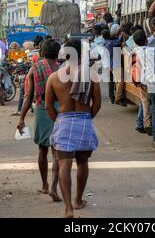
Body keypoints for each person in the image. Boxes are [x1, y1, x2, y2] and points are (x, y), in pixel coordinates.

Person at [46, 39, 102, 218]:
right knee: (83, 162)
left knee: (64, 164)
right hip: (83, 121)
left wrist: (60, 121)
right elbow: (97, 103)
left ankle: (68, 208)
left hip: (64, 121)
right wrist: (86, 117)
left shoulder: (54, 77)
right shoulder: (91, 75)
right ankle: (78, 200)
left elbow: (48, 105)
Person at [17, 39, 62, 202]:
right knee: (57, 152)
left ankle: (45, 185)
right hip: (59, 110)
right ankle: (54, 187)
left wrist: (21, 118)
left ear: (41, 52)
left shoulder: (35, 68)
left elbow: (28, 96)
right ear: (58, 53)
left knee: (42, 150)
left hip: (42, 110)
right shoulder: (62, 69)